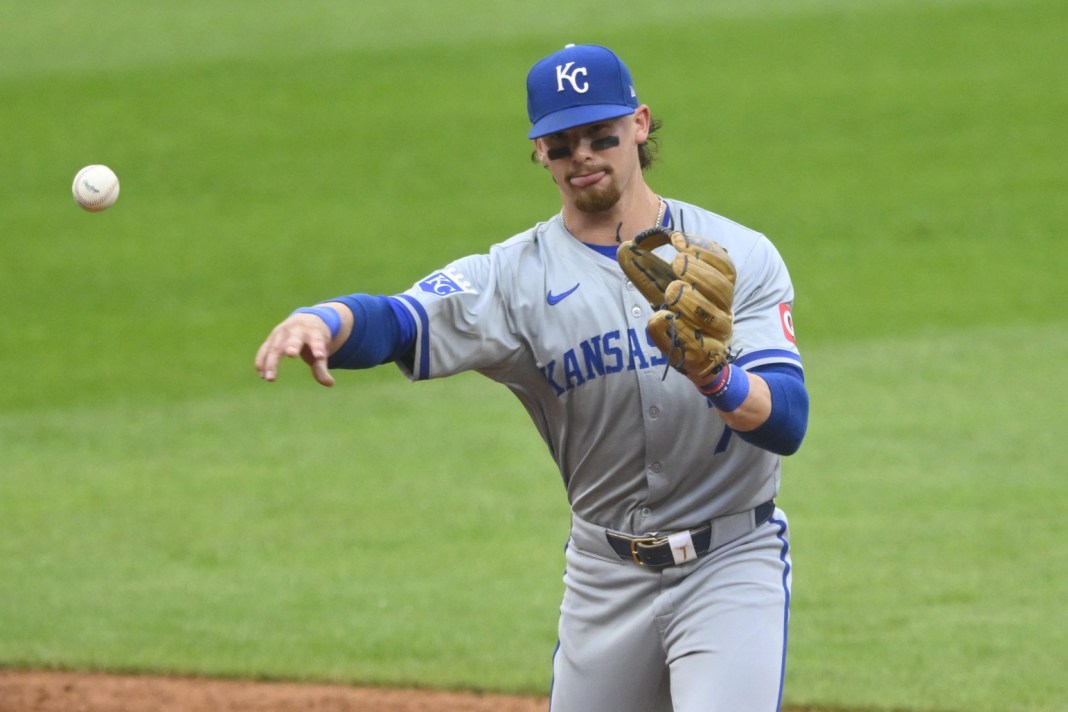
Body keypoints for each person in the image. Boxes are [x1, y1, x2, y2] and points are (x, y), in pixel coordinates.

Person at [255, 43, 808, 712]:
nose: (583, 156)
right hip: (607, 576)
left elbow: (787, 421)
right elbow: (398, 320)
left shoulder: (736, 254)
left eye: (601, 136)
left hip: (730, 564)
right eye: (560, 143)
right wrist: (323, 322)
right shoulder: (515, 279)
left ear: (639, 124)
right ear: (539, 152)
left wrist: (715, 377)